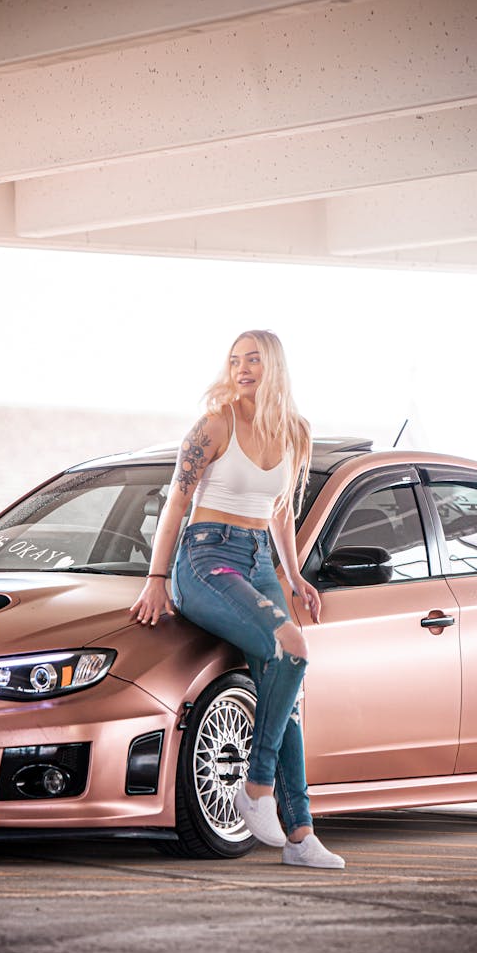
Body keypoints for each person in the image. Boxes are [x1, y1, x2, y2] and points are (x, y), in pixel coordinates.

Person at [130, 329, 344, 869]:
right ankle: (256, 786)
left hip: (258, 562)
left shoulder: (297, 432)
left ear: (274, 366)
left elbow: (281, 511)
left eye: (253, 359)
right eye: (234, 360)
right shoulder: (215, 424)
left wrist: (294, 577)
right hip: (205, 558)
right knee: (292, 649)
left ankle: (299, 836)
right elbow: (176, 503)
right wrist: (157, 577)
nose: (242, 368)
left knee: (285, 694)